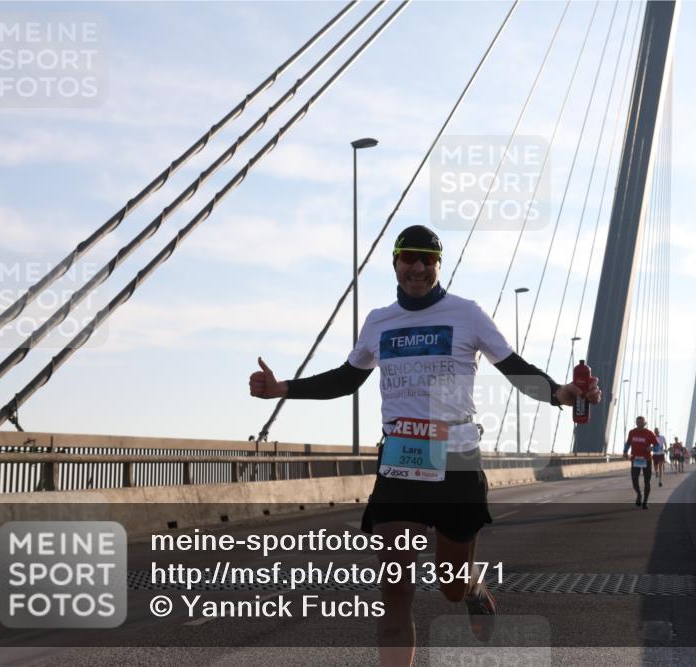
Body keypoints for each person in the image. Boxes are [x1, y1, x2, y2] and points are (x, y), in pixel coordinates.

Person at [249, 225, 601, 666]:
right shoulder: (378, 321)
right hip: (400, 460)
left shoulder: (467, 314)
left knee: (450, 585)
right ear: (395, 263)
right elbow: (347, 379)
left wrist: (559, 393)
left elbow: (513, 367)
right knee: (396, 590)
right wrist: (282, 388)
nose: (417, 267)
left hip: (456, 459)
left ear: (439, 264)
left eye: (427, 259)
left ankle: (472, 588)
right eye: (408, 258)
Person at [623, 415, 656, 509]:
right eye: (638, 422)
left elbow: (657, 446)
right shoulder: (632, 432)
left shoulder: (649, 433)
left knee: (647, 482)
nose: (639, 424)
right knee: (634, 480)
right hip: (635, 459)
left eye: (641, 422)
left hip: (647, 460)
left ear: (644, 423)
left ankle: (645, 502)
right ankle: (639, 494)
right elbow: (628, 443)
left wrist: (652, 448)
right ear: (636, 423)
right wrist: (625, 451)